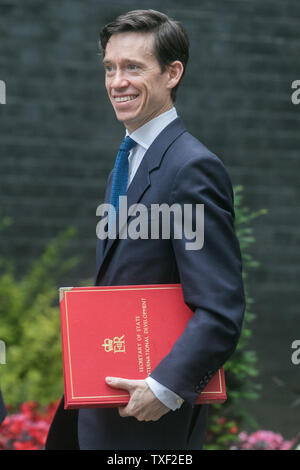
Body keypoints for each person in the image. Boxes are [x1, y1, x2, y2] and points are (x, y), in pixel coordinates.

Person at [46, 9, 245, 450]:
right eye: (110, 68)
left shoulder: (191, 168)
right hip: (106, 409)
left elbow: (220, 309)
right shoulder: (131, 157)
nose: (117, 82)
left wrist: (164, 388)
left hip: (149, 420)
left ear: (173, 73)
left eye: (133, 67)